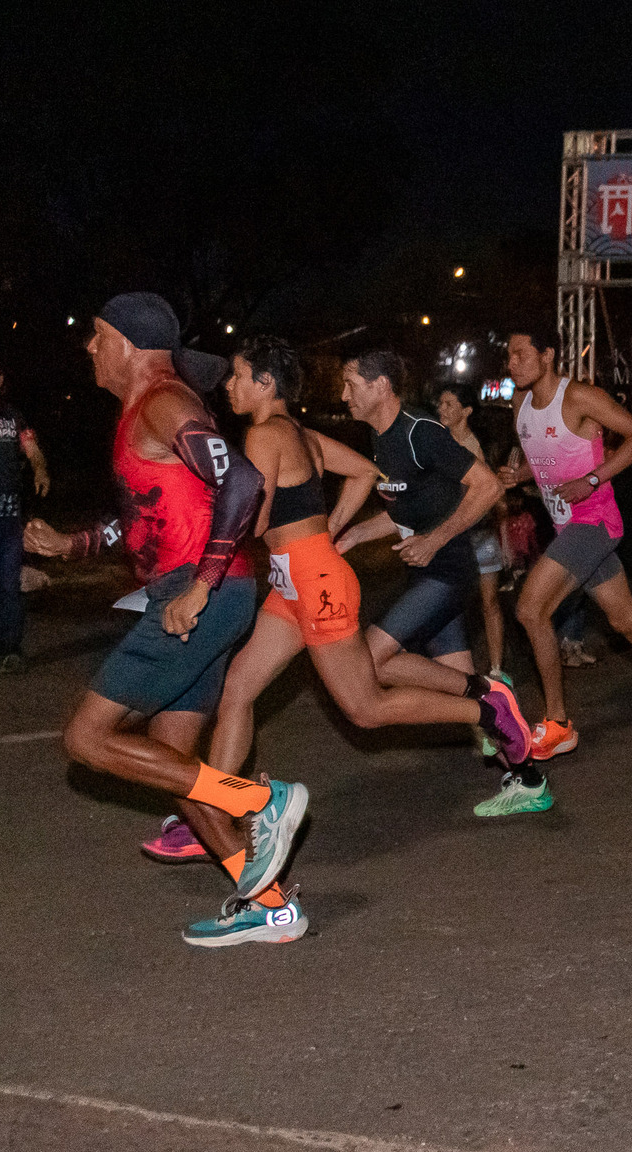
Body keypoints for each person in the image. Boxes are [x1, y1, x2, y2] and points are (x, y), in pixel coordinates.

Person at [189, 339, 534, 928]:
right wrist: (331, 530)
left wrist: (224, 511)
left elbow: (258, 515)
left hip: (315, 582)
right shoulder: (298, 433)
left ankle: (485, 714)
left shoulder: (267, 435)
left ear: (266, 382)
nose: (229, 387)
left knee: (365, 708)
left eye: (239, 377)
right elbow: (364, 472)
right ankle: (218, 815)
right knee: (239, 688)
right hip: (296, 580)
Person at [22, 293, 305, 945]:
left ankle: (264, 801)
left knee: (87, 741)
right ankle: (269, 904)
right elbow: (141, 516)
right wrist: (71, 546)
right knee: (172, 765)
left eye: (96, 336)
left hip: (200, 596)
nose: (89, 348)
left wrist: (200, 586)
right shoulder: (142, 412)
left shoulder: (162, 401)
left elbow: (240, 482)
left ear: (126, 341)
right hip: (205, 595)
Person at [331, 348, 546, 816]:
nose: (343, 394)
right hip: (427, 568)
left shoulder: (420, 433)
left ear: (381, 386)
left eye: (351, 383)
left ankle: (488, 695)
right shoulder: (381, 439)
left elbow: (488, 487)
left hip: (447, 570)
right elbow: (404, 509)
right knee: (463, 691)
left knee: (370, 662)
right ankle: (527, 779)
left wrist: (434, 539)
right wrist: (347, 538)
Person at [499, 328, 632, 762]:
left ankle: (558, 723)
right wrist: (518, 477)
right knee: (626, 621)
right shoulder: (520, 403)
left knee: (530, 609)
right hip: (564, 524)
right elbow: (548, 461)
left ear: (548, 354)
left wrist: (592, 479)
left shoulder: (580, 398)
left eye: (520, 353)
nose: (511, 362)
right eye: (509, 356)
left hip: (595, 521)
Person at [437, 384, 512, 680]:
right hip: (451, 538)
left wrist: (504, 538)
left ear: (466, 411)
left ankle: (496, 669)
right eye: (440, 403)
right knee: (449, 603)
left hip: (479, 536)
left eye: (448, 404)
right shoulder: (439, 444)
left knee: (489, 603)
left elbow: (497, 498)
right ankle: (452, 670)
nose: (441, 409)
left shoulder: (473, 448)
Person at [0, 350, 49, 675]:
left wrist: (40, 470)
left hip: (8, 519)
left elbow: (33, 450)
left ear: (1, 379)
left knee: (9, 587)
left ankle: (10, 652)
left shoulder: (14, 418)